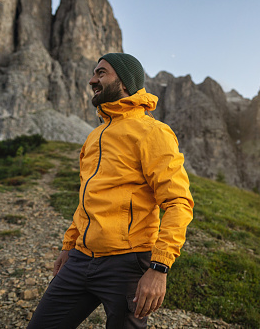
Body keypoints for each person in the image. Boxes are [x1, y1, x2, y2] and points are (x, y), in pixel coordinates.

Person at [28, 53, 194, 328]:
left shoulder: (153, 132)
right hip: (80, 258)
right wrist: (69, 245)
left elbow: (178, 202)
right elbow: (86, 200)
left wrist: (159, 267)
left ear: (125, 83)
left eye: (101, 73)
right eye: (94, 73)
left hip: (127, 264)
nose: (92, 80)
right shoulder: (95, 136)